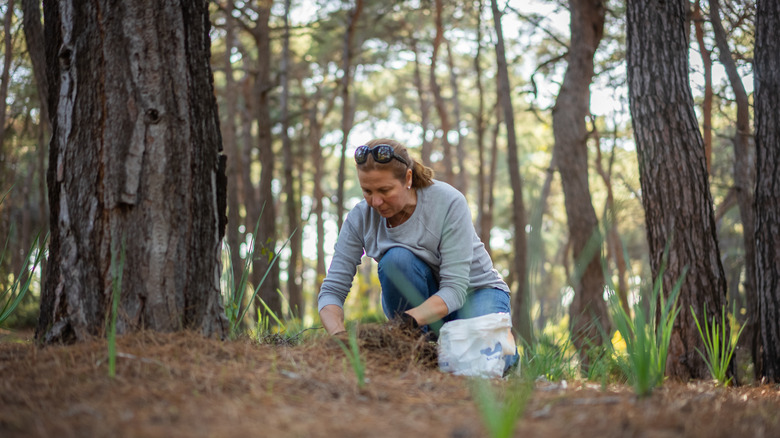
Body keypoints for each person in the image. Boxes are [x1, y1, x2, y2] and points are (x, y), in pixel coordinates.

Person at [317, 138, 518, 369]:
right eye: (367, 191)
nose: (376, 201)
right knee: (395, 260)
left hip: (475, 292)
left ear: (408, 179)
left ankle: (506, 358)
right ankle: (419, 351)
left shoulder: (447, 202)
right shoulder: (360, 218)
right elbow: (331, 291)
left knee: (486, 365)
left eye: (385, 190)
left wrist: (406, 321)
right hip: (424, 309)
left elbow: (454, 290)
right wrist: (338, 336)